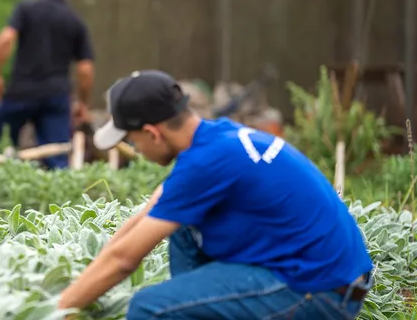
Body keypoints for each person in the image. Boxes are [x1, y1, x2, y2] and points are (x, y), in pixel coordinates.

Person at [56, 70, 375, 319]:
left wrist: (55, 312)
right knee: (183, 229)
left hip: (321, 291)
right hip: (328, 273)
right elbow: (143, 220)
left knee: (150, 309)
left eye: (133, 139)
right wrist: (77, 289)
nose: (136, 149)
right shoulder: (217, 137)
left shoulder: (206, 163)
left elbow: (125, 260)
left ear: (153, 132)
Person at [0, 0, 95, 169]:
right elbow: (85, 69)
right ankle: (60, 197)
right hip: (56, 96)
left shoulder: (26, 9)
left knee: (0, 147)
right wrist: (83, 103)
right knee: (57, 155)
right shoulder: (75, 21)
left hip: (21, 91)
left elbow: (5, 39)